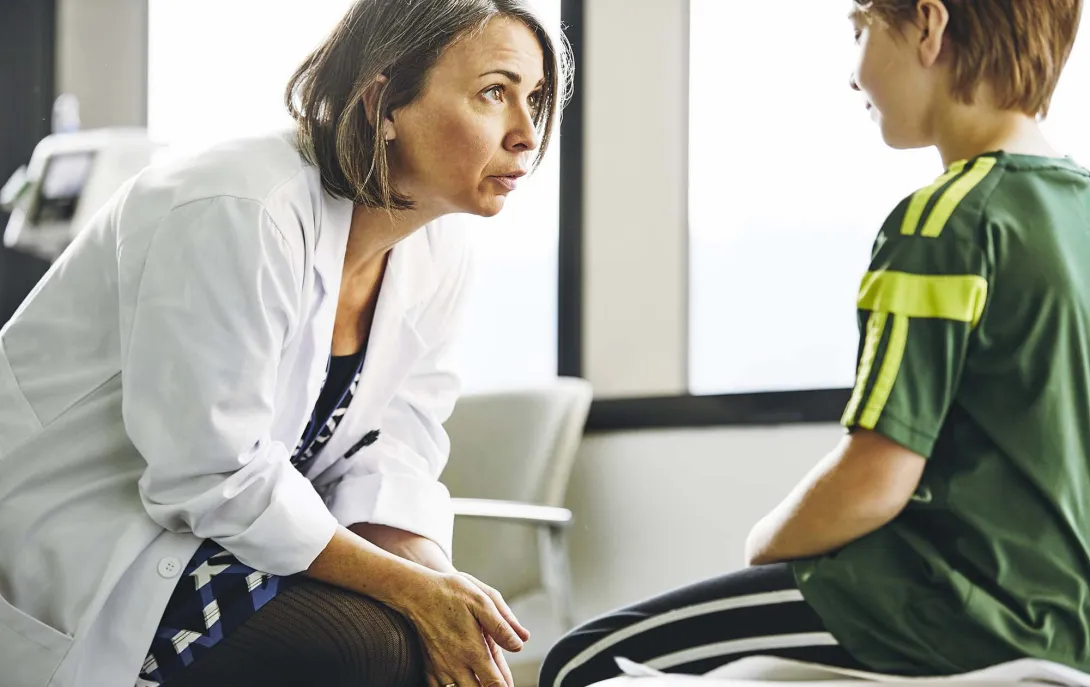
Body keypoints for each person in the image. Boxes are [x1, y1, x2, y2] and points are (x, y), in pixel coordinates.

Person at [0, 1, 571, 686]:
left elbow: (397, 448)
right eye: (493, 93)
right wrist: (415, 594)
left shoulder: (440, 246)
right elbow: (208, 472)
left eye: (533, 99)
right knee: (372, 646)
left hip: (217, 532)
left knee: (428, 639)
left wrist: (445, 590)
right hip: (83, 532)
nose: (525, 136)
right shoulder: (240, 207)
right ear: (382, 99)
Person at [540, 0, 1090, 685]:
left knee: (578, 662)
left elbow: (874, 477)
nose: (853, 76)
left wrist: (764, 544)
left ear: (928, 25)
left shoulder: (947, 221)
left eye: (861, 33)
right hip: (1071, 628)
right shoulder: (1079, 211)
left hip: (938, 609)